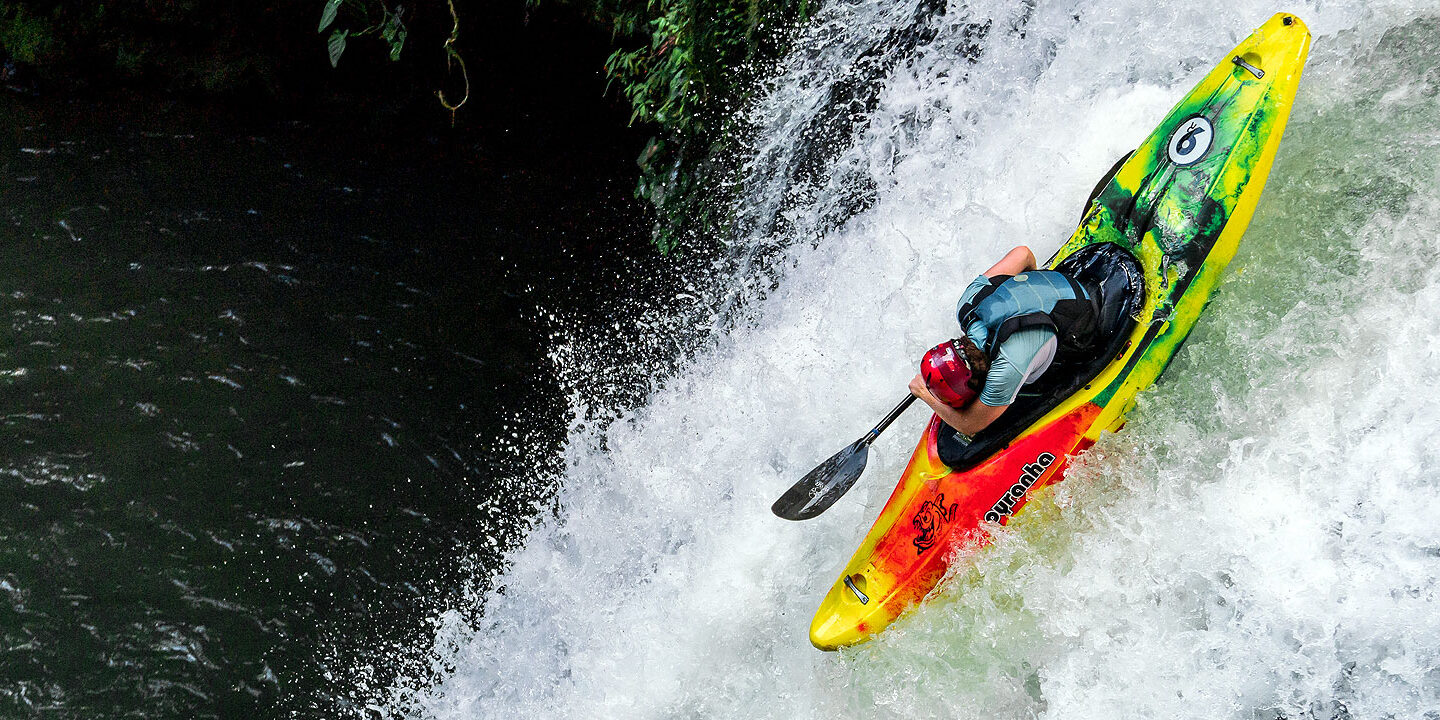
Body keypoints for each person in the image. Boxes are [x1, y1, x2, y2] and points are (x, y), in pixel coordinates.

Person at [908, 245, 1099, 443]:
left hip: (1082, 321)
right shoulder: (966, 305)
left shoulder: (1007, 366)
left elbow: (970, 425)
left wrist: (924, 394)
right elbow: (1023, 254)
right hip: (1057, 283)